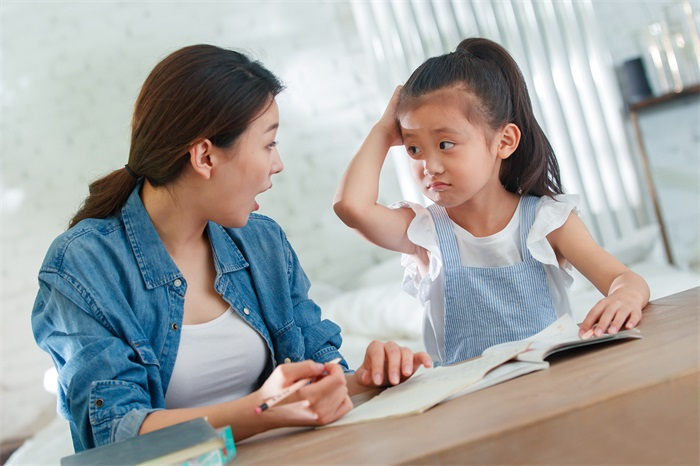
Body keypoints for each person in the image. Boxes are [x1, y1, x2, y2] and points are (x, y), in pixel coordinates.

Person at [31, 44, 431, 452]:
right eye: (268, 144)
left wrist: (365, 378)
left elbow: (315, 379)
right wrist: (259, 411)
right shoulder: (83, 266)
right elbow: (116, 436)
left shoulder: (263, 243)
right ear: (205, 156)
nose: (278, 164)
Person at [334, 37, 650, 367]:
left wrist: (624, 296)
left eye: (445, 143)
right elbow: (351, 207)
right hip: (469, 404)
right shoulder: (424, 233)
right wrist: (383, 130)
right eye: (414, 148)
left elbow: (625, 279)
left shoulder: (548, 221)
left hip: (553, 386)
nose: (430, 165)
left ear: (505, 141)